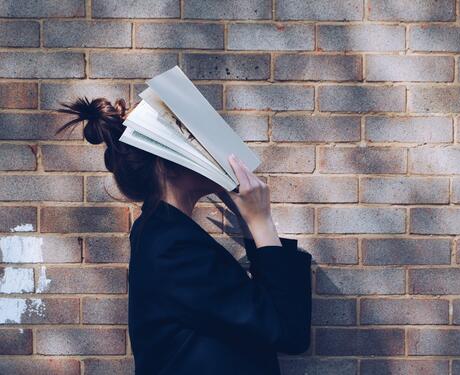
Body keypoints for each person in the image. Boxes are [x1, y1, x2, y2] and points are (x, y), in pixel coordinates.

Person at [56, 96, 313, 375]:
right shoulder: (172, 246)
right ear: (168, 165)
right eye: (194, 143)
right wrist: (261, 221)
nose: (211, 152)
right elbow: (288, 331)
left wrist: (248, 220)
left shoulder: (164, 234)